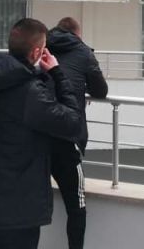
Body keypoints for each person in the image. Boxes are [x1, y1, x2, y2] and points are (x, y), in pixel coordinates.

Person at [0, 18, 82, 249]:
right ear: (36, 52)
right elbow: (73, 123)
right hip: (17, 211)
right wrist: (57, 73)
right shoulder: (30, 92)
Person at [45, 17, 108, 249]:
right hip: (67, 136)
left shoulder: (41, 47)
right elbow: (101, 90)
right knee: (76, 206)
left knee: (30, 200)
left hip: (38, 134)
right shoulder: (83, 52)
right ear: (77, 34)